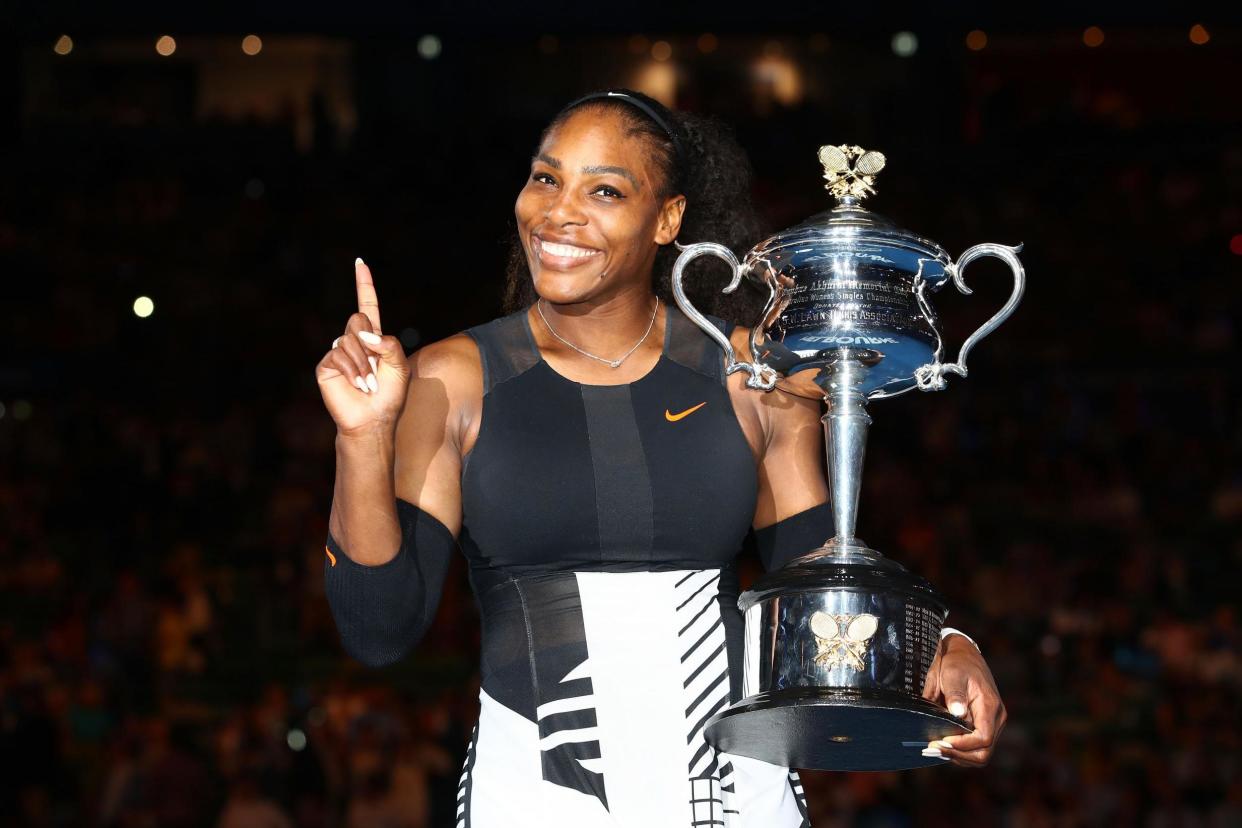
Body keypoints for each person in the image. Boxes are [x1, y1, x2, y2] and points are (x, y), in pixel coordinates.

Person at [315, 89, 1006, 826]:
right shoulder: (451, 381)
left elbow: (817, 575)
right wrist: (361, 437)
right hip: (537, 801)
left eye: (604, 189)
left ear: (668, 219)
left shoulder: (752, 377)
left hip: (736, 798)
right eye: (545, 178)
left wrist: (945, 647)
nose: (559, 212)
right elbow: (379, 630)